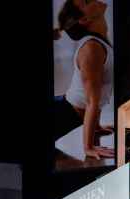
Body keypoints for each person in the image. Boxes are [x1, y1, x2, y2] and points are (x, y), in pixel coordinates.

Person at [53, 0, 114, 161]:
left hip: (64, 109)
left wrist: (97, 126)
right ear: (85, 20)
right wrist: (88, 147)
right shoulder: (91, 49)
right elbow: (91, 101)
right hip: (60, 114)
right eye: (86, 2)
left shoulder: (100, 43)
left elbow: (99, 89)